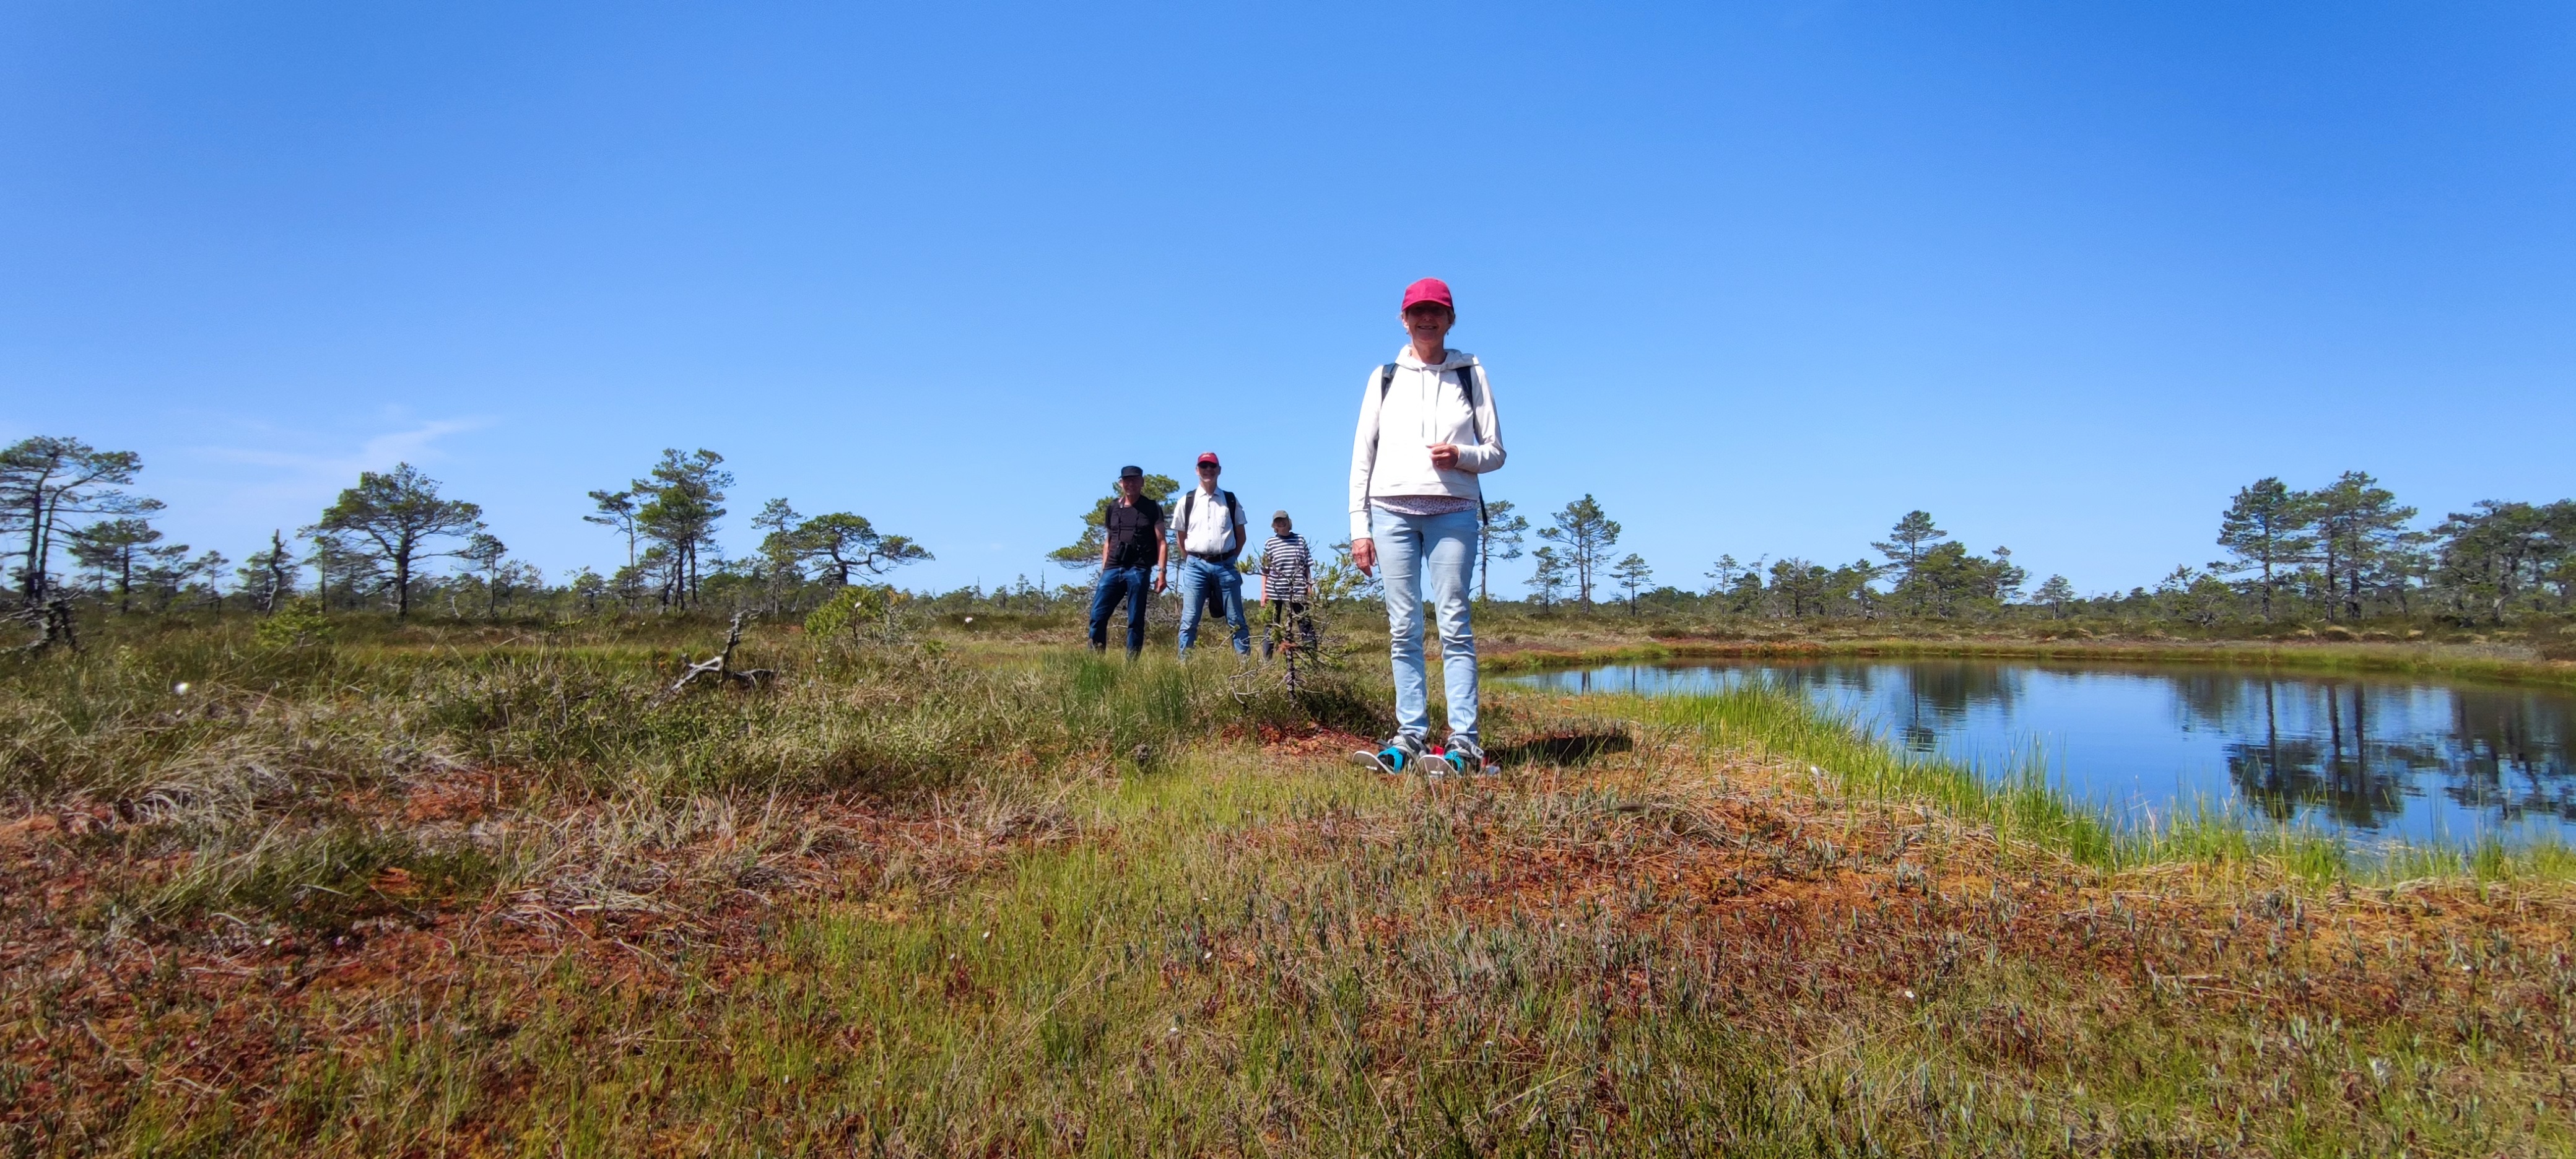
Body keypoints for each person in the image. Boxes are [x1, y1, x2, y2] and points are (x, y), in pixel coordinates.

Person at [1346, 278, 1505, 776]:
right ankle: (1409, 738)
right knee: (1403, 629)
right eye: (1418, 312)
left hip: (1453, 511)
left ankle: (1465, 745)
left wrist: (1462, 455)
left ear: (1451, 318)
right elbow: (1362, 455)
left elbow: (1497, 453)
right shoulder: (1385, 376)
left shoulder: (1470, 372)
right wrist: (1359, 526)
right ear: (1404, 319)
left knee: (1454, 624)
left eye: (1436, 311)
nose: (1427, 319)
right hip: (1390, 512)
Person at [1168, 451, 1251, 658]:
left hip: (1226, 566)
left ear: (1219, 471)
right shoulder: (1186, 501)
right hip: (1196, 567)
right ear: (1197, 470)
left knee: (1236, 620)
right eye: (1204, 467)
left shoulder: (1230, 500)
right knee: (1189, 620)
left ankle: (1246, 667)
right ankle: (1184, 667)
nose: (1208, 471)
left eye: (1212, 466)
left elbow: (1241, 536)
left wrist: (1230, 559)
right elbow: (1181, 538)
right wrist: (1193, 560)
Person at [1086, 465, 1167, 657]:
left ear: (1142, 482)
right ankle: (1095, 661)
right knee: (1098, 616)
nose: (1130, 484)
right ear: (1121, 483)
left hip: (1139, 569)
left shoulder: (1152, 508)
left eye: (1135, 480)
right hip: (1113, 568)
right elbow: (1108, 540)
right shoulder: (1113, 507)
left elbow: (1162, 542)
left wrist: (1161, 572)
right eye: (1127, 480)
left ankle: (1132, 665)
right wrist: (1104, 569)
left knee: (1135, 619)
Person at [1259, 510, 1317, 661]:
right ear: (1274, 525)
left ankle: (1312, 657)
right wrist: (1264, 592)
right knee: (1271, 625)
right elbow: (1265, 570)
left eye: (1283, 520)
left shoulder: (1300, 540)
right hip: (1275, 590)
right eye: (1277, 521)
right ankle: (1267, 661)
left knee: (1304, 623)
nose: (1281, 523)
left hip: (1297, 590)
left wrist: (1309, 585)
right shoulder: (1270, 543)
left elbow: (1306, 566)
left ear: (1288, 522)